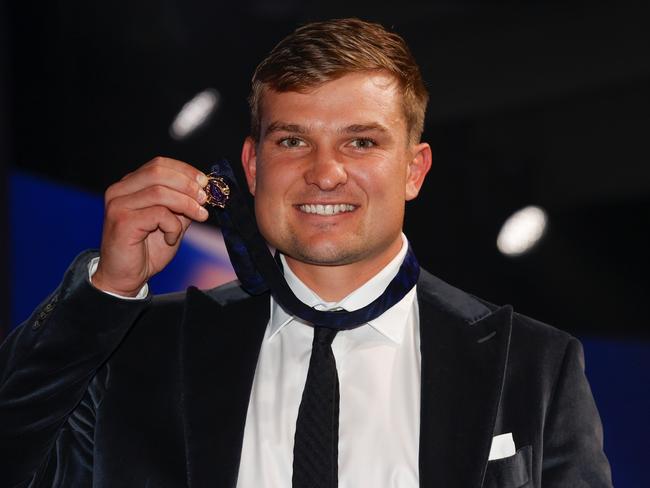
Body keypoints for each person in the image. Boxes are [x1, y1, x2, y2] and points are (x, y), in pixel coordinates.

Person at [0, 18, 611, 488]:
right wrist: (105, 292)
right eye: (293, 140)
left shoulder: (533, 364)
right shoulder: (147, 349)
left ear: (413, 170)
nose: (325, 173)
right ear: (252, 164)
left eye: (361, 142)